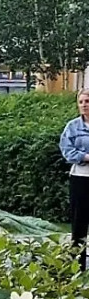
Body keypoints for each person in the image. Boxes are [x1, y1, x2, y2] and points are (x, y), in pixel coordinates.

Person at [60, 89, 89, 271]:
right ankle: (77, 267)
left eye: (87, 101)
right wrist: (85, 157)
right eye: (81, 102)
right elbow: (67, 150)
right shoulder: (72, 127)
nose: (84, 105)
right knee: (79, 224)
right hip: (80, 177)